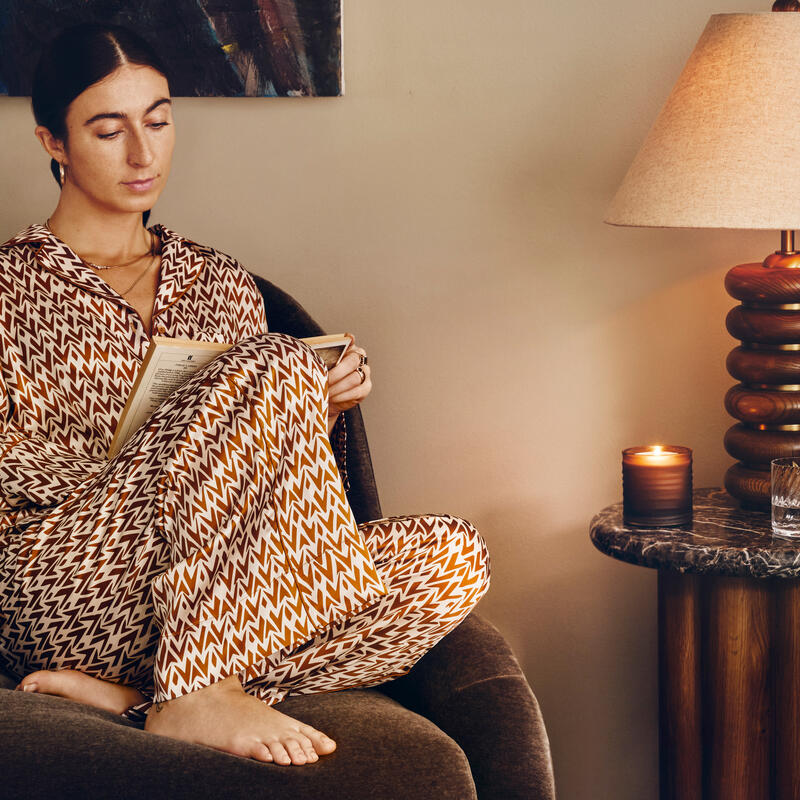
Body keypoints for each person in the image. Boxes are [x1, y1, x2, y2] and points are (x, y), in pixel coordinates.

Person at [0, 23, 490, 767]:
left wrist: (306, 415)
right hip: (63, 580)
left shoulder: (220, 280)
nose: (144, 152)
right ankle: (197, 689)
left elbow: (272, 508)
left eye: (158, 121)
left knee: (452, 558)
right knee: (274, 363)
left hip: (207, 595)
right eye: (109, 130)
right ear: (54, 143)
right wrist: (175, 454)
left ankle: (157, 696)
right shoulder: (8, 287)